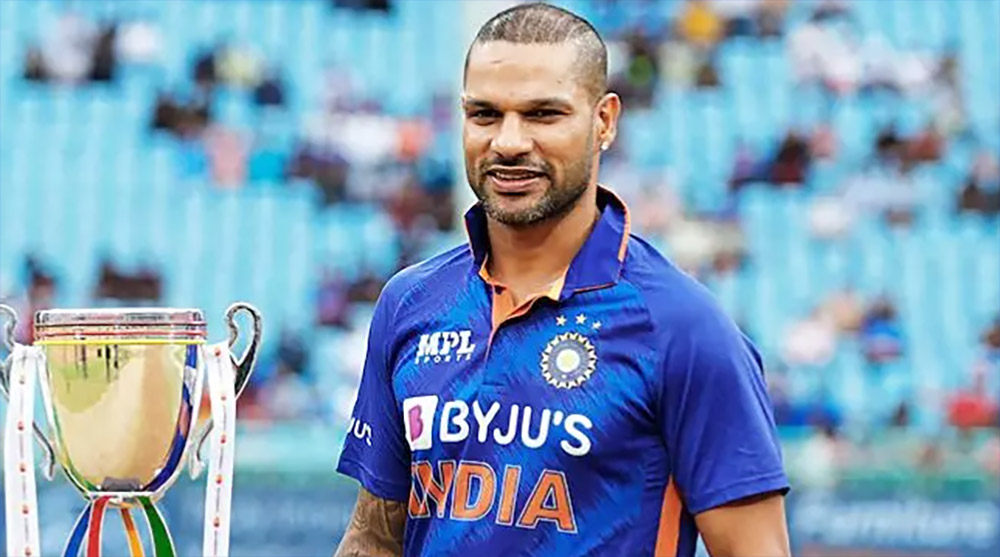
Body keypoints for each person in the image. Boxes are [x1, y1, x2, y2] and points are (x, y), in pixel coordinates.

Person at [334, 4, 790, 556]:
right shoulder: (410, 303)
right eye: (484, 114)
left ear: (604, 122)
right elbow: (373, 540)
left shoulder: (684, 328)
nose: (508, 142)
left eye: (543, 114)